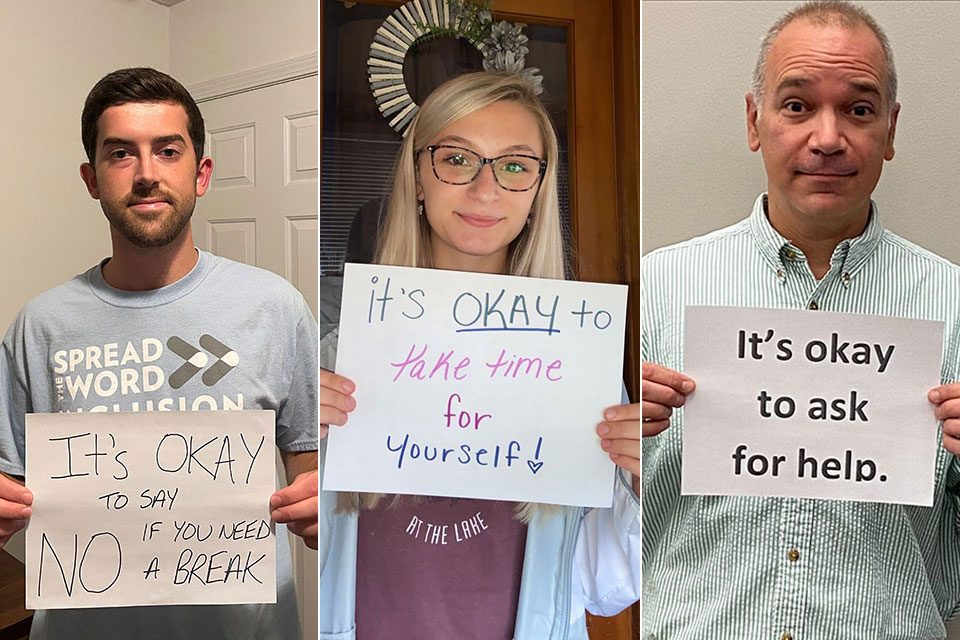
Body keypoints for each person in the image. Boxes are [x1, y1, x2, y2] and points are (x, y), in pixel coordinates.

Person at [643, 2, 960, 638]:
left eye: (859, 109)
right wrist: (615, 442)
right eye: (796, 106)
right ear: (754, 120)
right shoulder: (653, 290)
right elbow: (576, 525)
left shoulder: (953, 303)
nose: (827, 137)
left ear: (891, 131)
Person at [318, 71, 641, 639]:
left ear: (538, 190)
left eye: (515, 165)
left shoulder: (580, 364)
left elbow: (608, 586)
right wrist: (305, 443)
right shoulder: (337, 357)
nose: (485, 189)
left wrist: (645, 484)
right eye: (457, 159)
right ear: (419, 176)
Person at [0, 67, 318, 640]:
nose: (146, 174)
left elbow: (313, 477)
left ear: (201, 174)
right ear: (91, 178)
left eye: (167, 151)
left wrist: (328, 511)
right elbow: (9, 484)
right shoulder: (39, 327)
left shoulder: (276, 308)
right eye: (120, 154)